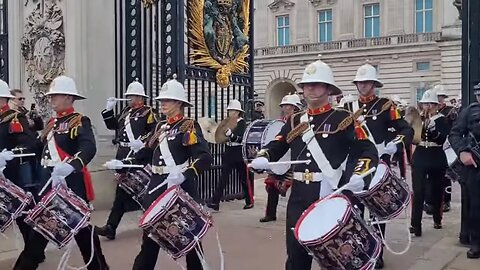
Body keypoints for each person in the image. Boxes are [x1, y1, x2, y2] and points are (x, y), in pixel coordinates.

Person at [250, 60, 379, 270]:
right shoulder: (295, 120)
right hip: (299, 198)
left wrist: (361, 175)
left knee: (339, 257)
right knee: (296, 257)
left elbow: (368, 150)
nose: (311, 88)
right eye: (307, 84)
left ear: (328, 88)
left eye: (317, 84)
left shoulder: (344, 118)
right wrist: (264, 156)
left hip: (331, 195)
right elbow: (278, 144)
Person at [105, 77, 212, 270]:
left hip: (180, 188)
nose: (162, 103)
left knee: (190, 240)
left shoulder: (188, 126)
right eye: (161, 100)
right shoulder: (160, 127)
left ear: (179, 103)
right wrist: (122, 163)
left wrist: (185, 174)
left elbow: (203, 157)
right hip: (157, 189)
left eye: (167, 100)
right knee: (150, 239)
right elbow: (144, 154)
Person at [13, 75, 109, 270]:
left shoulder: (79, 121)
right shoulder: (52, 123)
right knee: (40, 233)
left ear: (67, 97)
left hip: (69, 188)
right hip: (48, 187)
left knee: (81, 233)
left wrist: (72, 165)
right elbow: (40, 150)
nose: (51, 99)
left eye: (55, 95)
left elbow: (88, 147)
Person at [345, 63, 413, 269]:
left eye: (367, 82)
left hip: (377, 166)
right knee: (354, 212)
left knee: (377, 213)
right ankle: (360, 252)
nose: (363, 86)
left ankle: (377, 252)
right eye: (360, 83)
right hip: (355, 167)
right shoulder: (348, 108)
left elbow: (406, 129)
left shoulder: (386, 106)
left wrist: (397, 142)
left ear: (374, 84)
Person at [95, 80, 157, 240]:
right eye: (128, 96)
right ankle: (111, 227)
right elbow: (113, 126)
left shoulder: (148, 112)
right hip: (123, 154)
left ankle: (153, 223)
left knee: (142, 192)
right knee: (121, 193)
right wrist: (107, 111)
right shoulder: (125, 111)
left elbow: (154, 131)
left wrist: (142, 142)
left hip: (138, 155)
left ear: (140, 97)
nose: (129, 98)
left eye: (132, 96)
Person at [0, 80, 44, 261]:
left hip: (12, 174)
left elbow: (30, 144)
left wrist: (9, 154)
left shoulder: (14, 118)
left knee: (22, 214)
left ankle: (35, 250)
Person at [409, 88, 449, 239]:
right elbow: (414, 140)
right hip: (420, 157)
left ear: (436, 105)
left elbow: (441, 139)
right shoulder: (419, 119)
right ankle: (415, 224)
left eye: (430, 104)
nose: (427, 107)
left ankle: (437, 219)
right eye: (425, 104)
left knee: (436, 191)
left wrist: (434, 131)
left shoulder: (442, 119)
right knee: (418, 191)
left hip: (436, 157)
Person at [449, 82, 480, 259]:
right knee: (475, 207)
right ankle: (476, 242)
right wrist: (462, 152)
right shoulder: (469, 111)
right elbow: (454, 134)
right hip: (475, 166)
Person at [259, 93, 301, 223]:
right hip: (280, 159)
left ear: (295, 107)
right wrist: (264, 152)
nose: (285, 108)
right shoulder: (280, 122)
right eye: (284, 106)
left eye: (288, 105)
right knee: (272, 187)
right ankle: (270, 214)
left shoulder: (299, 122)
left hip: (293, 160)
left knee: (296, 191)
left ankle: (296, 216)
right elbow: (277, 140)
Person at [207, 99, 254, 211]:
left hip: (238, 152)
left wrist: (231, 135)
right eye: (229, 110)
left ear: (238, 112)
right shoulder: (227, 122)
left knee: (244, 178)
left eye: (232, 110)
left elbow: (241, 139)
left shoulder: (241, 122)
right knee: (223, 178)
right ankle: (215, 202)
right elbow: (221, 136)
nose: (230, 112)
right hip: (229, 151)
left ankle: (249, 200)